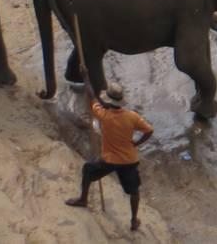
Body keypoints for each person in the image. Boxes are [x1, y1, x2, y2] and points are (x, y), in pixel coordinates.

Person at [65, 83, 152, 231]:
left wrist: (86, 77)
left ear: (109, 101)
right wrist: (137, 143)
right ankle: (133, 220)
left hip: (109, 160)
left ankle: (83, 199)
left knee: (88, 169)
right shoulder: (132, 117)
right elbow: (149, 130)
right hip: (129, 161)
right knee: (134, 191)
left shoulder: (103, 115)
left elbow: (92, 97)